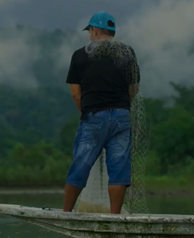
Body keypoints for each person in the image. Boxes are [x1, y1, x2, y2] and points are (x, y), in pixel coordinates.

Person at [63, 11, 140, 214]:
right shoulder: (128, 52)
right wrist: (120, 107)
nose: (89, 34)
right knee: (119, 169)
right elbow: (134, 87)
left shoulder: (80, 55)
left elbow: (75, 94)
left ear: (95, 30)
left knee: (80, 165)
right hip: (122, 117)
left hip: (93, 118)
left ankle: (66, 213)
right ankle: (114, 217)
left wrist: (87, 112)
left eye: (90, 30)